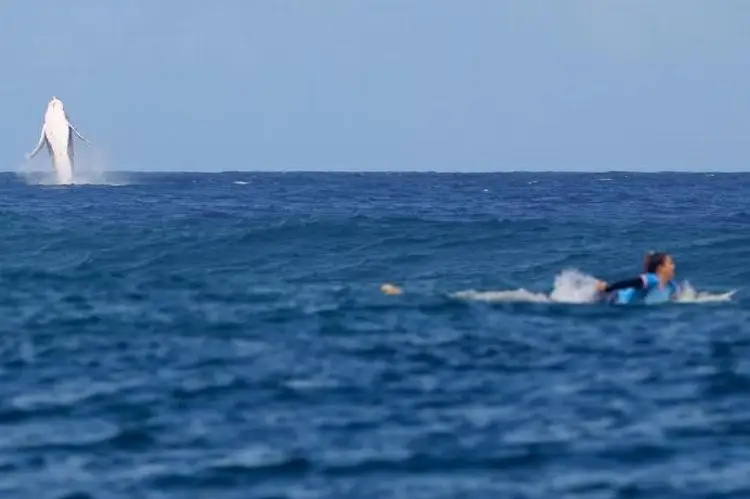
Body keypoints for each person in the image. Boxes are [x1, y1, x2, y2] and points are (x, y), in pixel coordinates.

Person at [594, 251, 680, 304]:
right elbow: (631, 282)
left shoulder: (672, 285)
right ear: (660, 268)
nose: (673, 266)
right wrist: (607, 288)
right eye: (670, 263)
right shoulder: (652, 280)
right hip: (615, 298)